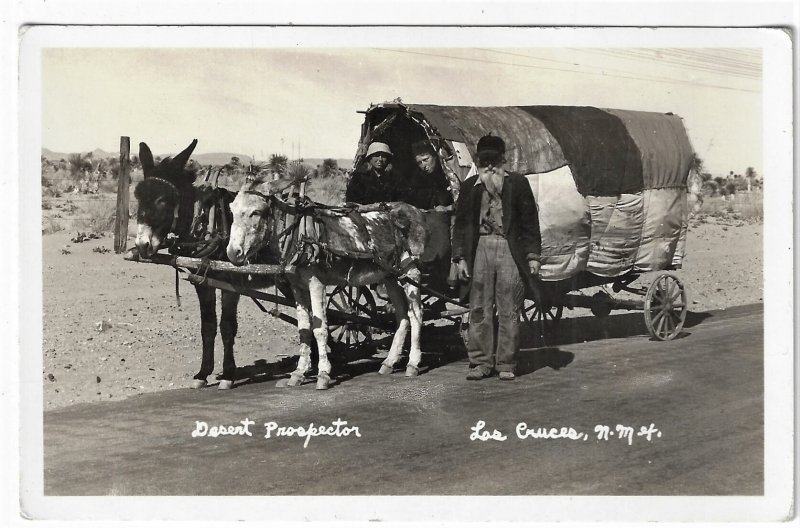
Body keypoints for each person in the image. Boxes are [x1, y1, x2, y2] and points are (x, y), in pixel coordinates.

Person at [451, 134, 542, 381]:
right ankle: (480, 363)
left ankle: (506, 364)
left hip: (509, 249)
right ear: (478, 162)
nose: (490, 166)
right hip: (480, 248)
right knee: (479, 307)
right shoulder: (469, 187)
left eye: (494, 160)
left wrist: (533, 255)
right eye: (485, 161)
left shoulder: (518, 184)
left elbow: (530, 222)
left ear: (503, 160)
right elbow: (460, 226)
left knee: (509, 307)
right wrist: (460, 258)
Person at [345, 142, 409, 205]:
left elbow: (403, 201)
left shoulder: (396, 180)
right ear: (370, 158)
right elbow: (352, 203)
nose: (380, 159)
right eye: (376, 155)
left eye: (384, 156)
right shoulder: (358, 179)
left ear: (388, 159)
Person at [405, 140, 454, 211]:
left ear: (435, 157)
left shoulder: (449, 172)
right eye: (419, 163)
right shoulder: (419, 180)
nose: (423, 165)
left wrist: (449, 207)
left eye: (426, 160)